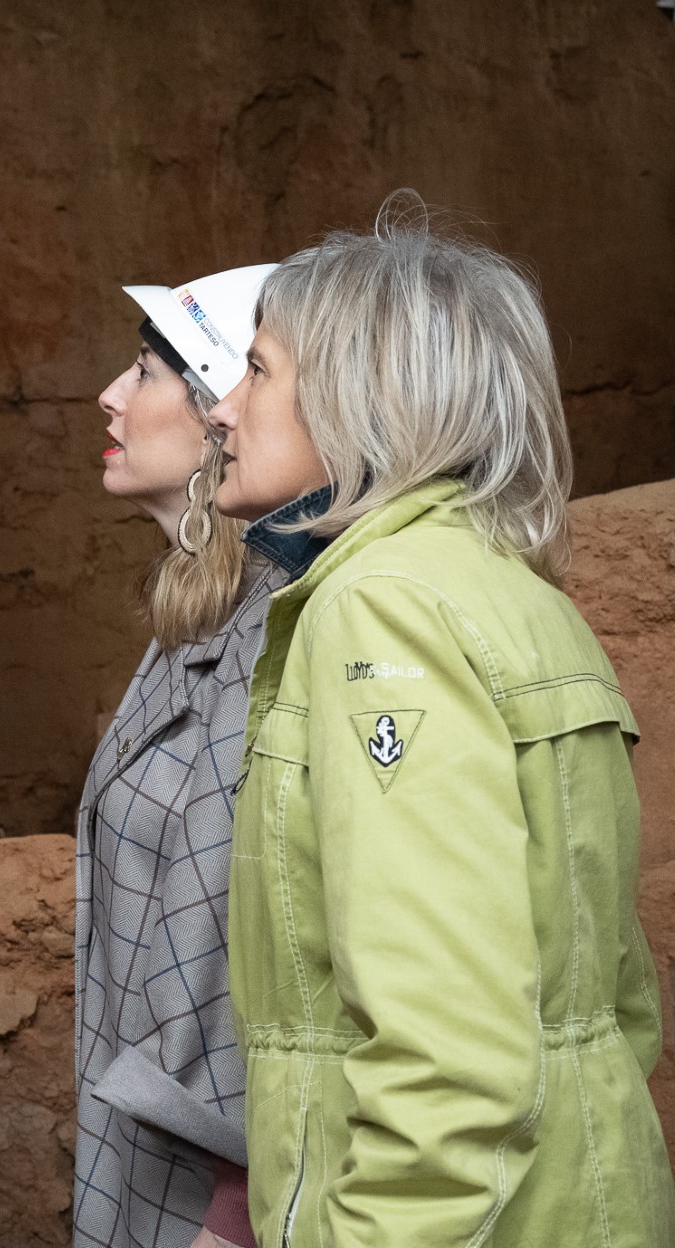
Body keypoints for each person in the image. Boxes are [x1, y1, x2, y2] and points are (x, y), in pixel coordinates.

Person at [207, 199, 675, 1247]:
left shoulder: (383, 605)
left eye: (259, 370)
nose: (224, 408)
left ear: (359, 397)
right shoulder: (511, 591)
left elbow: (445, 1051)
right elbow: (612, 1004)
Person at [74, 261, 278, 1248]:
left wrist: (236, 1213)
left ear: (221, 416)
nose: (112, 393)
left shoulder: (279, 636)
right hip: (150, 1167)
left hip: (215, 1204)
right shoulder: (192, 616)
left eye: (150, 370)